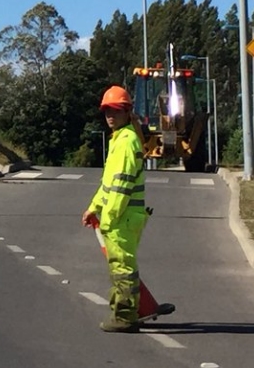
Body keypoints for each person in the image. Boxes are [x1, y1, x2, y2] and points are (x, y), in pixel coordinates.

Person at [82, 85, 148, 333]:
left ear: (127, 111)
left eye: (116, 110)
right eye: (107, 111)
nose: (110, 115)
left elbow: (121, 186)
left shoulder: (127, 141)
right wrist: (93, 207)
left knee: (123, 269)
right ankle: (130, 310)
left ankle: (125, 316)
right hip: (122, 218)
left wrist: (108, 218)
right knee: (121, 267)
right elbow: (108, 182)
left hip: (122, 219)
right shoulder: (120, 138)